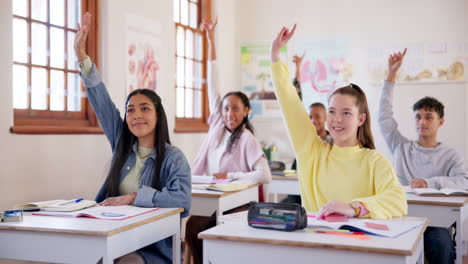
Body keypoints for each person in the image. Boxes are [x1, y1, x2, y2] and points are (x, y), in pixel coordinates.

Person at [75, 13, 191, 264]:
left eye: (144, 108)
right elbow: (102, 102)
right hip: (110, 234)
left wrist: (133, 197)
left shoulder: (173, 158)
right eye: (130, 110)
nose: (136, 115)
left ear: (158, 116)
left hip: (150, 248)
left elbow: (182, 200)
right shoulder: (122, 143)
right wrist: (82, 57)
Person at [271, 24, 407, 220]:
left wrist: (354, 208)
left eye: (346, 113)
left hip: (358, 246)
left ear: (361, 119)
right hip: (315, 244)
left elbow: (397, 200)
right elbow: (289, 103)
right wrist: (276, 55)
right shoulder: (311, 151)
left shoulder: (375, 161)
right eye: (332, 111)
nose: (337, 119)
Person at [185, 18, 271, 264]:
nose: (229, 114)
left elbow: (264, 175)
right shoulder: (217, 126)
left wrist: (232, 176)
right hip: (212, 195)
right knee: (193, 225)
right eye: (225, 108)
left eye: (235, 109)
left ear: (246, 111)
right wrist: (210, 40)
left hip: (238, 203)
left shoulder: (246, 138)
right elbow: (212, 83)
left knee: (200, 226)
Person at [378, 48, 465, 264]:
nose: (422, 122)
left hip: (436, 225)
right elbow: (383, 116)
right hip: (402, 218)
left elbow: (464, 181)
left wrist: (429, 182)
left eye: (428, 117)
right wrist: (391, 75)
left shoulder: (450, 155)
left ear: (440, 122)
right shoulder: (401, 147)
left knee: (442, 244)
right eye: (418, 117)